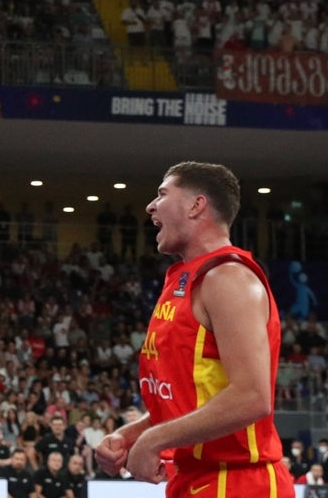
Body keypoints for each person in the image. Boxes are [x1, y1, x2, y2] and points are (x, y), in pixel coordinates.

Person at [93, 162, 293, 498]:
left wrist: (154, 439)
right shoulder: (184, 279)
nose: (150, 206)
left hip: (240, 483)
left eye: (162, 193)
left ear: (195, 205)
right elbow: (189, 399)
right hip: (194, 480)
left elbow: (252, 397)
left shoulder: (228, 278)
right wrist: (132, 435)